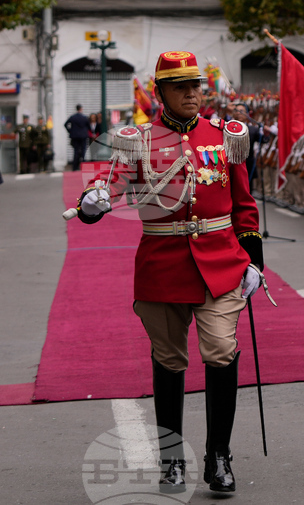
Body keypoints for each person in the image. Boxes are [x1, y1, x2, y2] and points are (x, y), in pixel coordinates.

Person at [75, 51, 262, 494]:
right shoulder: (136, 140)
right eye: (180, 86)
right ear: (160, 92)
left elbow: (244, 204)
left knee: (220, 350)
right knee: (169, 361)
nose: (192, 93)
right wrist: (93, 201)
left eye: (196, 85)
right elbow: (109, 183)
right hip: (162, 265)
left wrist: (254, 259)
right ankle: (173, 459)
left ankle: (219, 455)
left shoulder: (226, 135)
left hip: (220, 261)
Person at [65, 105, 91, 171]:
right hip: (83, 136)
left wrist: (70, 131)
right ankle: (83, 166)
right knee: (83, 151)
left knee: (76, 151)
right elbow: (89, 127)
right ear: (81, 109)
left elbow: (65, 124)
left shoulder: (73, 117)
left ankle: (75, 167)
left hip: (75, 136)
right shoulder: (84, 118)